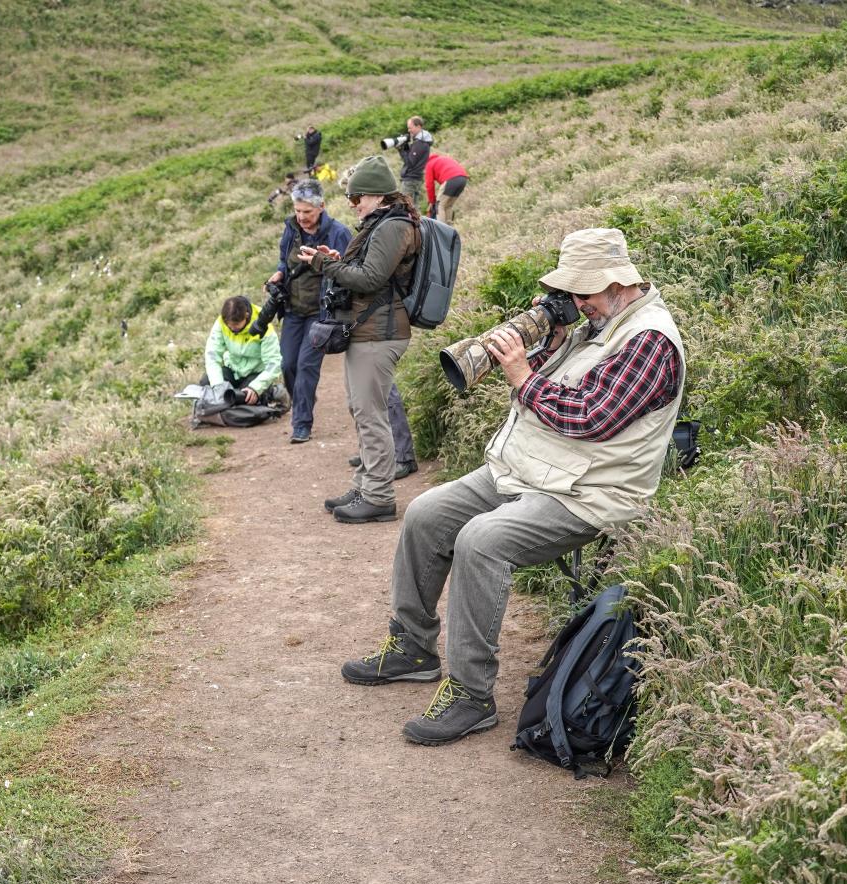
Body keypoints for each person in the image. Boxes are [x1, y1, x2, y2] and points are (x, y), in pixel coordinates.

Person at [339, 227, 686, 746]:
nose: (576, 302)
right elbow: (551, 390)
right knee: (426, 513)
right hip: (531, 469)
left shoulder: (651, 340)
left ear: (619, 283)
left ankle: (471, 694)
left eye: (582, 292)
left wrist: (523, 376)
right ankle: (412, 647)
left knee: (480, 541)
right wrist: (543, 343)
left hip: (590, 492)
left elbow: (590, 418)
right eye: (570, 292)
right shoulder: (594, 323)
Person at [298, 155, 420, 525]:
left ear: (377, 194)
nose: (353, 205)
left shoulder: (393, 227)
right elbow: (368, 273)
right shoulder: (382, 224)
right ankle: (365, 485)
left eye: (357, 198)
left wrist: (324, 265)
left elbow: (369, 280)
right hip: (369, 331)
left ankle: (380, 496)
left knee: (371, 417)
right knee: (361, 411)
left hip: (379, 334)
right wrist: (336, 261)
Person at [267, 179, 350, 444]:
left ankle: (301, 423)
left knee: (306, 365)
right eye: (298, 211)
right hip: (292, 309)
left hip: (321, 314)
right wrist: (279, 272)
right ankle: (304, 398)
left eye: (307, 212)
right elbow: (284, 259)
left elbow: (349, 271)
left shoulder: (338, 233)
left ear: (322, 207)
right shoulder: (291, 229)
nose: (301, 217)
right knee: (288, 364)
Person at [202, 295, 284, 406]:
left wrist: (255, 388)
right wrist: (218, 386)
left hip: (256, 374)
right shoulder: (221, 322)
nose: (232, 328)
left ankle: (273, 393)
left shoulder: (263, 322)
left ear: (246, 315)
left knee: (247, 398)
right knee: (207, 384)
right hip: (233, 370)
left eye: (236, 325)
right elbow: (212, 356)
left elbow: (274, 363)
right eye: (229, 325)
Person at [397, 116, 434, 204]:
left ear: (418, 127)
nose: (409, 130)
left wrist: (400, 149)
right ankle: (416, 218)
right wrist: (405, 146)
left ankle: (411, 218)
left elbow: (410, 162)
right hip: (415, 178)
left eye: (410, 128)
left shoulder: (420, 143)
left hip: (411, 180)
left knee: (405, 206)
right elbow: (412, 157)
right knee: (413, 207)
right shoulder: (421, 141)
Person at [423, 152, 469, 224]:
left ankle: (441, 230)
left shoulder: (429, 164)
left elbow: (429, 185)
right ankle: (449, 228)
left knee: (439, 206)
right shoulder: (441, 159)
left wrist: (432, 201)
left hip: (451, 179)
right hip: (463, 178)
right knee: (448, 205)